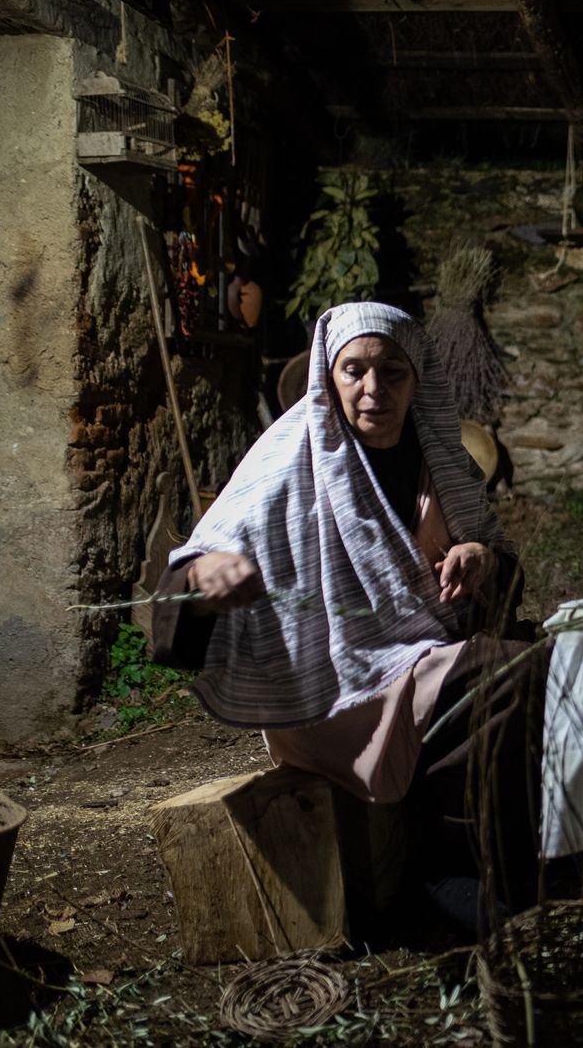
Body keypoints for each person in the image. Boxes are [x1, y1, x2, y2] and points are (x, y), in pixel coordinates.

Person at [149, 302, 539, 929]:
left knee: (538, 665)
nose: (373, 389)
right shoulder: (291, 456)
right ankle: (440, 871)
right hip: (338, 682)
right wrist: (205, 574)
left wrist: (483, 558)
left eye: (393, 372)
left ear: (417, 379)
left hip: (426, 657)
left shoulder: (443, 459)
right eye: (354, 370)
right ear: (329, 376)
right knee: (507, 673)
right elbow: (193, 567)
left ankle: (490, 861)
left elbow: (501, 565)